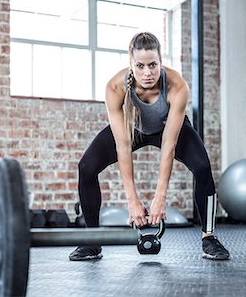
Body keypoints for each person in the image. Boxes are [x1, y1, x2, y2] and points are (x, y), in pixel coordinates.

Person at [69, 32, 230, 261]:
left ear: (161, 61)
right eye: (140, 65)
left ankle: (209, 237)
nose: (147, 73)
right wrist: (132, 200)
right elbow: (122, 146)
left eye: (153, 65)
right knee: (86, 167)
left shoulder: (177, 86)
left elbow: (169, 144)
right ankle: (92, 241)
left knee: (202, 166)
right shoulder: (115, 88)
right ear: (130, 63)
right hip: (133, 129)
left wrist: (160, 196)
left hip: (167, 129)